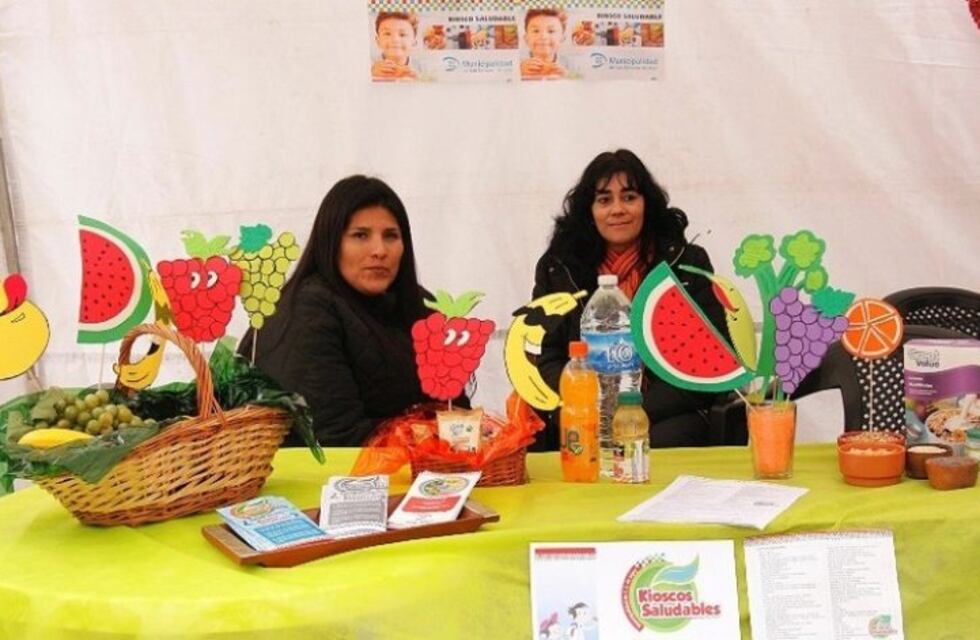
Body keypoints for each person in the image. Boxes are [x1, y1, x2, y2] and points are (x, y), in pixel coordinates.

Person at [531, 149, 729, 450]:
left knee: (652, 442)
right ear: (589, 211)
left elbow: (710, 358)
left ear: (646, 204)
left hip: (665, 412)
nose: (617, 209)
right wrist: (587, 403)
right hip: (585, 407)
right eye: (604, 200)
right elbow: (544, 355)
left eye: (629, 197)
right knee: (563, 439)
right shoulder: (560, 268)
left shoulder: (685, 264)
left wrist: (633, 412)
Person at [239, 175, 452, 446]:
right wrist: (432, 438)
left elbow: (455, 411)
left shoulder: (421, 305)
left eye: (391, 236)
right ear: (331, 243)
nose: (379, 250)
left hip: (425, 477)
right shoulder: (308, 310)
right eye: (360, 235)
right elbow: (334, 436)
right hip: (328, 481)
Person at [371, 12, 420, 81]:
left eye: (402, 34)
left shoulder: (424, 69)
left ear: (414, 41)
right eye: (387, 34)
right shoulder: (368, 66)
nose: (395, 40)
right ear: (378, 41)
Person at [521, 9, 568, 79]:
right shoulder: (515, 65)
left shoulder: (572, 66)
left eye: (551, 31)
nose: (543, 36)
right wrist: (518, 74)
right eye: (536, 31)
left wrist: (569, 78)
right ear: (526, 38)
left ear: (562, 38)